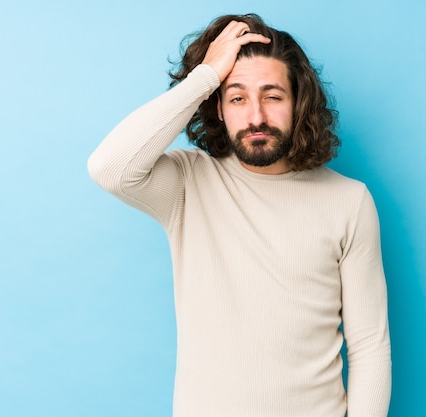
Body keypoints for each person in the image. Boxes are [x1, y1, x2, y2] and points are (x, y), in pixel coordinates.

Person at [88, 13, 391, 417]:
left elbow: (370, 345)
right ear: (217, 107)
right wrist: (206, 75)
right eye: (237, 97)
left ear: (298, 102)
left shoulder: (349, 201)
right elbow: (110, 168)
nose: (256, 117)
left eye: (272, 96)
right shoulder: (188, 184)